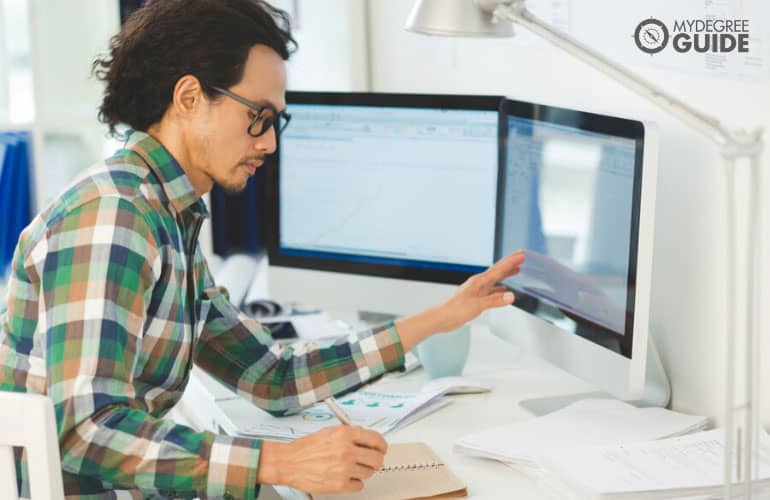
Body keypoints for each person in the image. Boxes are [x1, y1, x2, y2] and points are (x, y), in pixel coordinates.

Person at [0, 1, 525, 498]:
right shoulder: (116, 215)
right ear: (188, 98)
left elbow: (270, 377)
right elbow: (86, 430)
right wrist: (280, 462)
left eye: (276, 122)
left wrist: (440, 317)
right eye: (259, 115)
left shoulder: (167, 216)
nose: (270, 143)